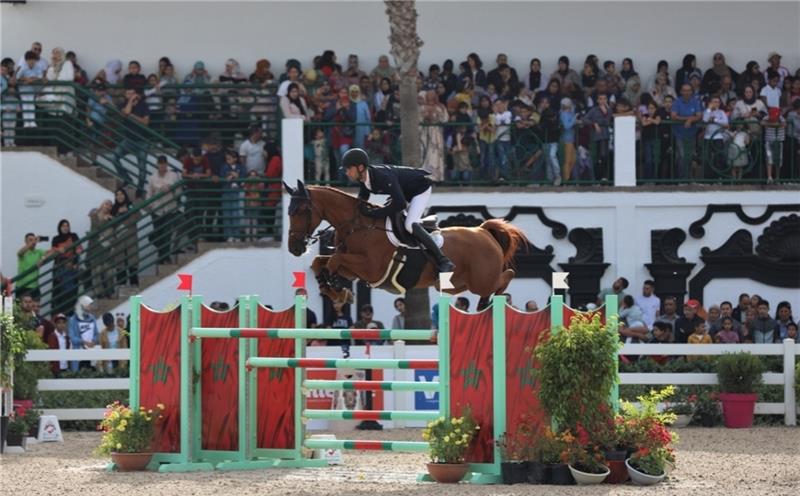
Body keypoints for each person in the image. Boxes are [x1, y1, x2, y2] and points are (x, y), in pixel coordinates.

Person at [341, 147, 455, 273]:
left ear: (360, 167)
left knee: (410, 225)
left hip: (419, 190)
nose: (346, 172)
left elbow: (400, 204)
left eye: (348, 169)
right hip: (404, 192)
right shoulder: (363, 180)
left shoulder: (382, 176)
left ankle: (443, 260)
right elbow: (362, 200)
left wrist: (374, 213)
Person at [111, 87, 150, 195]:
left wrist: (133, 116)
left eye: (132, 93)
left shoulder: (144, 105)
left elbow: (146, 122)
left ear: (136, 94)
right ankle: (127, 179)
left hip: (143, 141)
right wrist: (130, 102)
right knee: (114, 157)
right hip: (128, 140)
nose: (130, 95)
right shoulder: (123, 105)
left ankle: (140, 189)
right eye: (127, 93)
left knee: (142, 169)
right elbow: (126, 113)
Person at [146, 156, 179, 262]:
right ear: (157, 164)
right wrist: (150, 205)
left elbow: (178, 190)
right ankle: (162, 254)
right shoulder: (152, 177)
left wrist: (171, 190)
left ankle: (164, 256)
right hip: (157, 209)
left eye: (164, 163)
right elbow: (149, 193)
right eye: (160, 163)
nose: (162, 166)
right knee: (158, 233)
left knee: (167, 234)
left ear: (167, 164)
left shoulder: (173, 175)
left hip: (170, 208)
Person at [671, 84, 703, 180]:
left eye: (689, 90)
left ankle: (690, 178)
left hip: (692, 133)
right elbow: (673, 116)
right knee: (681, 155)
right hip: (679, 133)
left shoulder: (695, 102)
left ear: (692, 92)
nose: (686, 92)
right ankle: (682, 178)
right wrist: (688, 119)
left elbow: (699, 115)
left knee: (691, 156)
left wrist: (690, 120)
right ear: (681, 92)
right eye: (684, 90)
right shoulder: (677, 102)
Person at [51, 219, 82, 315]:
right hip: (61, 267)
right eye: (63, 226)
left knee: (72, 290)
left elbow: (79, 248)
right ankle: (62, 314)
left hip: (72, 267)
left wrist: (77, 254)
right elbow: (53, 251)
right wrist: (58, 250)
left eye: (67, 225)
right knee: (61, 291)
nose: (65, 227)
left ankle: (70, 312)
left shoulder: (73, 236)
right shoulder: (56, 239)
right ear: (59, 228)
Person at [67, 295, 99, 371]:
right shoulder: (73, 320)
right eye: (89, 305)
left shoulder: (92, 318)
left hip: (91, 352)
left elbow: (96, 333)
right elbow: (72, 337)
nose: (90, 307)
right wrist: (83, 342)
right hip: (78, 352)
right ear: (82, 305)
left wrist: (93, 341)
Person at [16, 233, 47, 298]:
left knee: (35, 307)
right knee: (18, 308)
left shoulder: (39, 252)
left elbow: (51, 252)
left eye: (34, 240)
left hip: (34, 286)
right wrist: (33, 242)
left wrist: (43, 259)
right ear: (25, 241)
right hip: (21, 287)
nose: (33, 242)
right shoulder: (23, 252)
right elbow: (19, 253)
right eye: (30, 240)